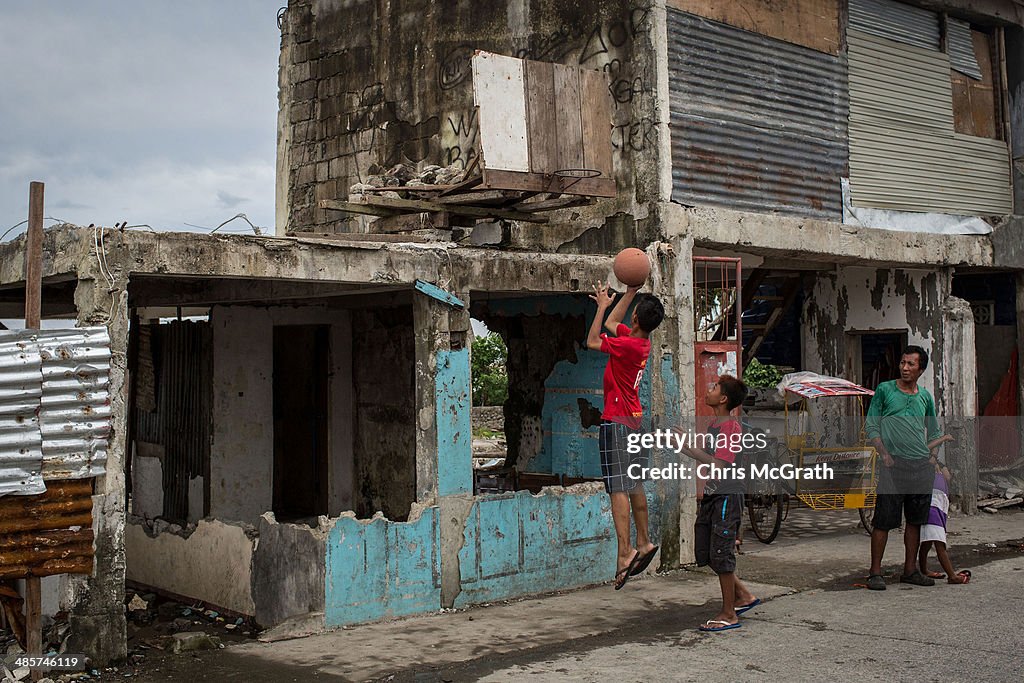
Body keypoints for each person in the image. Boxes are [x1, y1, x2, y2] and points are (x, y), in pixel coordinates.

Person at [587, 283, 664, 590]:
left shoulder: (628, 346)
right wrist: (630, 289)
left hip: (616, 423)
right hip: (634, 422)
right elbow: (611, 326)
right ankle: (643, 542)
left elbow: (594, 338)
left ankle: (625, 552)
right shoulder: (639, 342)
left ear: (634, 319)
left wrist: (601, 305)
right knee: (634, 484)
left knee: (617, 488)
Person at [676, 375, 759, 631]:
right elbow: (704, 456)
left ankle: (729, 613)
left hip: (727, 495)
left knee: (721, 553)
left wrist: (687, 446)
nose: (708, 390)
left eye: (713, 387)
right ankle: (743, 595)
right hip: (713, 494)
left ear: (723, 399)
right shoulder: (714, 424)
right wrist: (682, 445)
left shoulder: (731, 428)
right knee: (707, 551)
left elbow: (718, 464)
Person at [865, 345, 943, 591]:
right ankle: (874, 573)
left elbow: (935, 430)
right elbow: (872, 425)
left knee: (915, 521)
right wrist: (884, 453)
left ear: (921, 369)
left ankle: (910, 570)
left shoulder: (925, 397)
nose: (905, 368)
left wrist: (932, 456)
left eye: (911, 364)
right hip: (892, 465)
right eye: (902, 363)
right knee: (883, 520)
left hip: (920, 466)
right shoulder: (885, 390)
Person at [918, 436, 971, 585]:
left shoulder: (936, 465)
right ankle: (952, 576)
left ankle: (923, 570)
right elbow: (928, 449)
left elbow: (947, 477)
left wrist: (939, 464)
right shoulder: (924, 461)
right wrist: (943, 438)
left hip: (939, 505)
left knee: (927, 543)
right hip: (932, 505)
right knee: (939, 544)